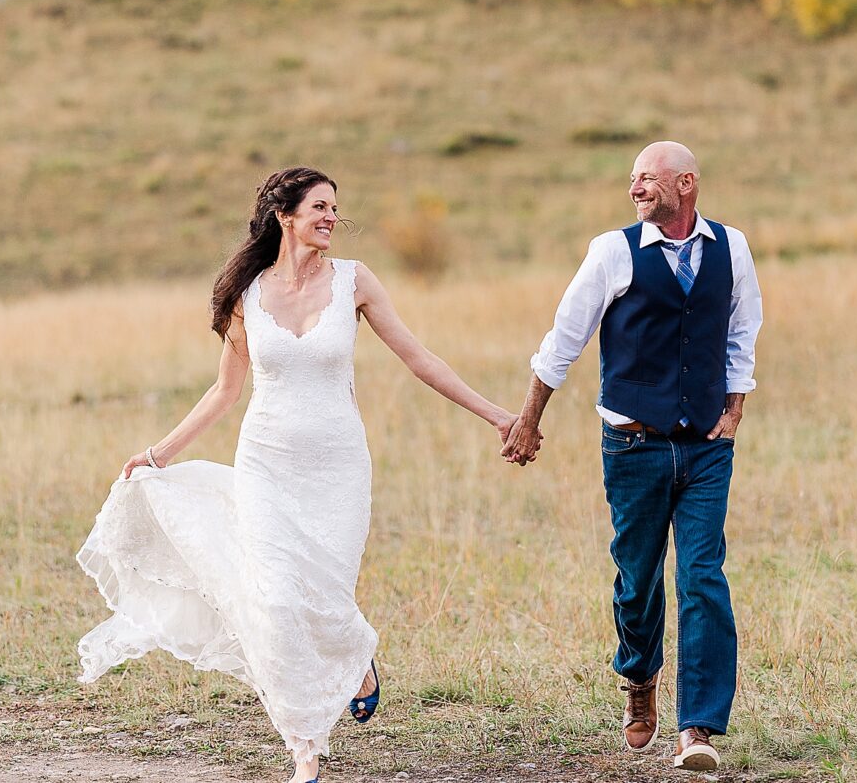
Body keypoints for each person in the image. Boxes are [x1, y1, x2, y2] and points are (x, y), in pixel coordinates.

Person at [75, 167, 527, 782]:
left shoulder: (354, 282)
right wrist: (159, 453)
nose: (331, 218)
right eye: (319, 207)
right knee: (279, 602)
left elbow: (420, 359)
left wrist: (499, 415)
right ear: (284, 215)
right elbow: (224, 390)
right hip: (266, 465)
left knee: (327, 597)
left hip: (339, 469)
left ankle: (357, 657)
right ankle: (304, 750)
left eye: (335, 208)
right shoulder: (249, 295)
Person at [503, 140, 762, 774]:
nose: (635, 189)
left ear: (688, 184)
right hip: (634, 444)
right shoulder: (612, 251)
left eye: (648, 179)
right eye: (633, 179)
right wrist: (529, 420)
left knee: (703, 577)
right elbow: (564, 336)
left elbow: (740, 333)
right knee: (637, 580)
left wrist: (732, 414)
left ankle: (697, 727)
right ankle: (639, 674)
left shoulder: (732, 247)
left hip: (705, 448)